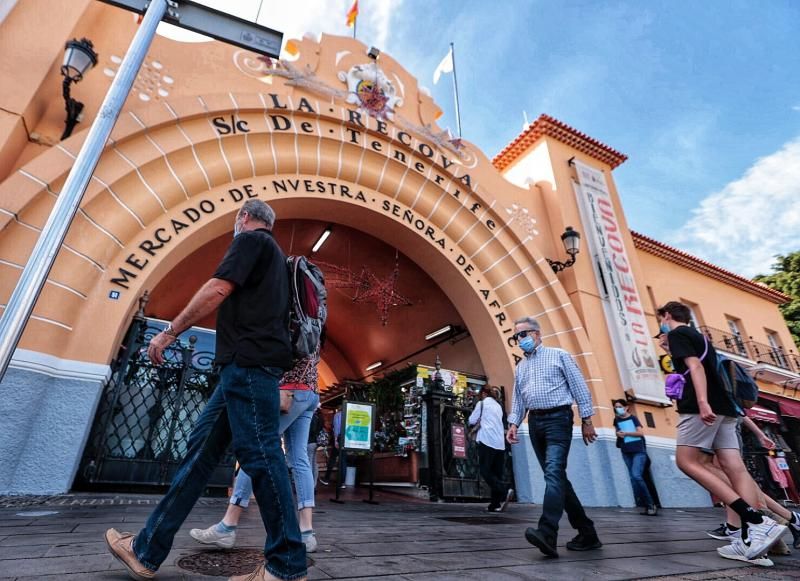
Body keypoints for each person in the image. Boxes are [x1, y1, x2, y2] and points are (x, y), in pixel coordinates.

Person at [104, 199, 307, 581]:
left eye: (238, 220)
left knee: (261, 454)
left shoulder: (252, 241)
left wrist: (169, 331)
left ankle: (287, 567)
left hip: (248, 366)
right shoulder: (277, 260)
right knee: (200, 455)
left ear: (243, 217)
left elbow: (216, 289)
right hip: (242, 368)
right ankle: (146, 550)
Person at [658, 301, 787, 563]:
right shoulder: (701, 337)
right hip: (728, 409)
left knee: (687, 462)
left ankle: (756, 521)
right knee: (734, 467)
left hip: (701, 408)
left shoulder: (677, 333)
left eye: (660, 319)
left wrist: (703, 402)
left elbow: (695, 367)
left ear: (668, 315)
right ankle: (745, 539)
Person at [189, 350, 322, 553]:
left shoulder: (293, 317)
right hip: (310, 392)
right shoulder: (318, 318)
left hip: (290, 391)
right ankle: (307, 533)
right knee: (299, 458)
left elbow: (283, 351)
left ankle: (228, 524)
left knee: (257, 448)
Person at [506, 316, 601, 558]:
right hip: (535, 422)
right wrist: (514, 423)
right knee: (557, 477)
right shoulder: (521, 367)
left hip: (559, 419)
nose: (520, 340)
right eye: (517, 336)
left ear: (537, 334)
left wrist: (587, 420)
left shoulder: (559, 355)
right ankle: (587, 533)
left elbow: (580, 387)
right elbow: (519, 398)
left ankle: (547, 532)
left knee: (553, 473)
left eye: (523, 334)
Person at [469, 385, 514, 512]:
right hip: (499, 443)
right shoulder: (498, 406)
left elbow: (472, 420)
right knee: (496, 473)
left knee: (485, 470)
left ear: (483, 393)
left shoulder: (482, 404)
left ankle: (504, 491)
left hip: (486, 441)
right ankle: (495, 504)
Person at [612, 399, 657, 516]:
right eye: (616, 407)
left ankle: (651, 504)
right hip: (626, 451)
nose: (618, 408)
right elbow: (617, 432)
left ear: (626, 407)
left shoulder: (633, 418)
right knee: (633, 478)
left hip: (638, 451)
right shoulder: (616, 420)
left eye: (620, 406)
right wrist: (618, 434)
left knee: (637, 476)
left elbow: (640, 433)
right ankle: (647, 505)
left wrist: (626, 433)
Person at [320, 407, 344, 487]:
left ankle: (327, 479)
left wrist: (336, 440)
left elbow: (336, 429)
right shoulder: (349, 415)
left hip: (339, 439)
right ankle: (342, 482)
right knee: (343, 460)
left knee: (332, 459)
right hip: (347, 439)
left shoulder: (338, 415)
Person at [308, 406, 323, 487]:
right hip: (315, 442)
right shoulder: (320, 417)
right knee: (314, 463)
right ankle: (314, 484)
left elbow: (312, 430)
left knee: (309, 463)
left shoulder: (313, 417)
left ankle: (310, 485)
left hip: (310, 441)